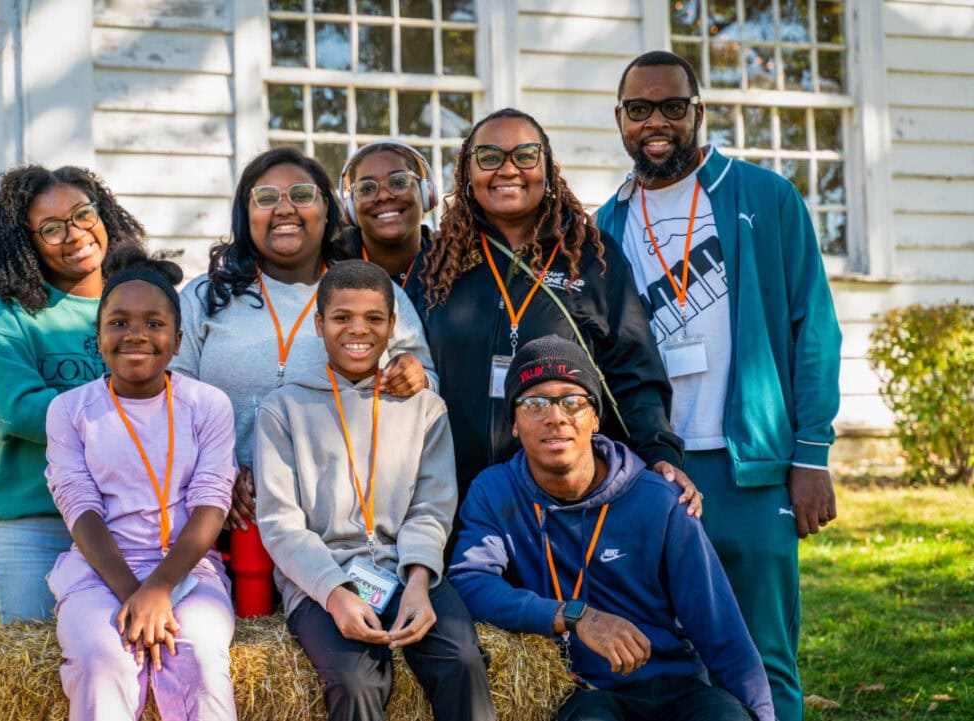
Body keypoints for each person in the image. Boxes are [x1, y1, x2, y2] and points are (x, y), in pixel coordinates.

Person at [593, 50, 842, 721]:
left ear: (697, 113)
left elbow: (813, 328)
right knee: (675, 655)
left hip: (751, 468)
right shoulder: (603, 225)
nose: (657, 122)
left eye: (673, 106)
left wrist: (811, 452)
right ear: (619, 119)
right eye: (639, 108)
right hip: (652, 469)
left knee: (764, 654)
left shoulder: (764, 196)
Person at [449, 335, 775, 721]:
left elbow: (721, 629)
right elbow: (470, 583)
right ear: (515, 425)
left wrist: (762, 714)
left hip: (676, 686)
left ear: (595, 418)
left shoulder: (659, 500)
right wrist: (573, 616)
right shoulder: (495, 490)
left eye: (572, 402)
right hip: (585, 691)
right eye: (535, 403)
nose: (556, 417)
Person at [416, 107, 697, 509]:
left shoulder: (591, 259)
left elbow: (634, 372)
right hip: (456, 498)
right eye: (489, 157)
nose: (508, 169)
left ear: (547, 167)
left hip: (571, 498)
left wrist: (660, 455)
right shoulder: (439, 262)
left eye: (525, 155)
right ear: (466, 172)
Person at [254, 260, 496, 721]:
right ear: (319, 323)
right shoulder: (282, 409)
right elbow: (281, 524)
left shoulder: (425, 408)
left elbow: (432, 506)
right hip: (321, 577)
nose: (357, 330)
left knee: (463, 661)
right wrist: (334, 593)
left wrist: (421, 582)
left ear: (393, 325)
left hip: (406, 569)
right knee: (357, 680)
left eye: (374, 318)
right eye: (342, 317)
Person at [170, 147, 437, 532]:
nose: (284, 209)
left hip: (340, 528)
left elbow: (430, 385)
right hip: (220, 523)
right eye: (265, 198)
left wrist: (416, 376)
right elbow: (168, 399)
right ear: (245, 215)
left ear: (328, 210)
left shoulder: (368, 288)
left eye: (300, 195)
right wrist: (216, 472)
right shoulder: (203, 297)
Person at [45, 245, 237, 720]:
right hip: (99, 571)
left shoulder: (208, 404)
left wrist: (161, 588)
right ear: (98, 335)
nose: (137, 335)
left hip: (189, 569)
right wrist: (136, 594)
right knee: (101, 658)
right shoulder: (69, 411)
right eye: (119, 322)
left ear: (177, 338)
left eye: (154, 323)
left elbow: (211, 503)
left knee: (198, 658)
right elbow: (80, 506)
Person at [0, 165, 145, 624]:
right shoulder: (11, 315)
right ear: (28, 243)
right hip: (38, 524)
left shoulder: (139, 302)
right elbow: (15, 409)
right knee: (37, 671)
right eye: (51, 228)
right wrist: (127, 416)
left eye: (83, 214)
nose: (74, 233)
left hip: (130, 519)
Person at [335, 140, 437, 297]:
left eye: (398, 181)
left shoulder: (454, 265)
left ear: (426, 193)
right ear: (350, 208)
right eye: (366, 188)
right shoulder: (326, 269)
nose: (383, 195)